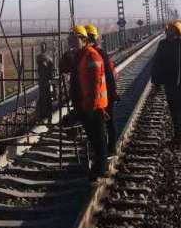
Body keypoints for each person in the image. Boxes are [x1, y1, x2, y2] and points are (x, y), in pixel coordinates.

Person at [60, 24, 109, 180]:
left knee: (98, 139)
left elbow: (95, 85)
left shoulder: (91, 56)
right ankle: (97, 167)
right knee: (93, 139)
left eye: (73, 39)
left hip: (93, 106)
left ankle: (101, 170)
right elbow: (64, 69)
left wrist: (88, 108)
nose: (70, 42)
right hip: (84, 104)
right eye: (69, 39)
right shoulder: (79, 56)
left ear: (83, 39)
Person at [151, 21, 181, 149]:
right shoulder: (162, 44)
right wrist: (156, 82)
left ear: (177, 32)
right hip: (169, 83)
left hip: (180, 84)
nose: (168, 31)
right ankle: (177, 136)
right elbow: (156, 63)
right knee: (174, 110)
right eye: (168, 29)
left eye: (171, 29)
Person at [85, 23, 119, 155]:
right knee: (106, 124)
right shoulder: (95, 52)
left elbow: (108, 76)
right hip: (102, 95)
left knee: (106, 124)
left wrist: (112, 93)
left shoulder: (97, 53)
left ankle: (110, 150)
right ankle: (108, 149)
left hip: (104, 96)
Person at [36, 41, 55, 122]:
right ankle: (42, 115)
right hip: (42, 80)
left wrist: (50, 78)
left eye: (44, 46)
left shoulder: (48, 58)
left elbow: (51, 66)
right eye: (41, 46)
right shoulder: (40, 57)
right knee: (42, 97)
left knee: (48, 97)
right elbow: (40, 61)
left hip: (47, 80)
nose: (42, 48)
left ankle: (48, 115)